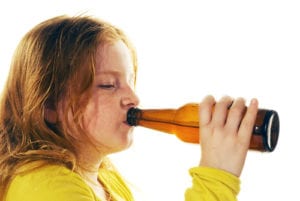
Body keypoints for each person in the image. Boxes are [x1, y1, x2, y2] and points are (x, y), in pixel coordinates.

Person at [0, 15, 258, 201]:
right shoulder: (44, 188)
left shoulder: (102, 176)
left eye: (130, 81)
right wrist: (217, 176)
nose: (133, 97)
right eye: (108, 85)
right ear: (50, 106)